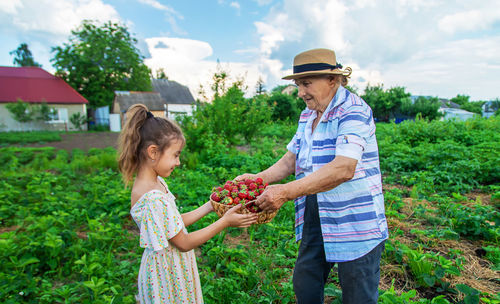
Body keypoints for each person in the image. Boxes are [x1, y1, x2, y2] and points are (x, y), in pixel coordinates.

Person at [236, 48, 388, 304]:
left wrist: (284, 192)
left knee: (358, 291)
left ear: (332, 80)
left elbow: (343, 168)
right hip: (317, 207)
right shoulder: (308, 115)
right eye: (298, 84)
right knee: (306, 279)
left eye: (306, 84)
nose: (300, 92)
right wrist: (258, 179)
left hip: (355, 218)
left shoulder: (354, 111)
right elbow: (291, 159)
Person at [118, 104, 258, 304]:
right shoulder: (152, 198)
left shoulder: (156, 184)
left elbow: (173, 224)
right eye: (175, 155)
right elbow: (183, 242)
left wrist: (209, 206)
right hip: (166, 276)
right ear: (153, 152)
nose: (178, 162)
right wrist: (224, 222)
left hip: (169, 268)